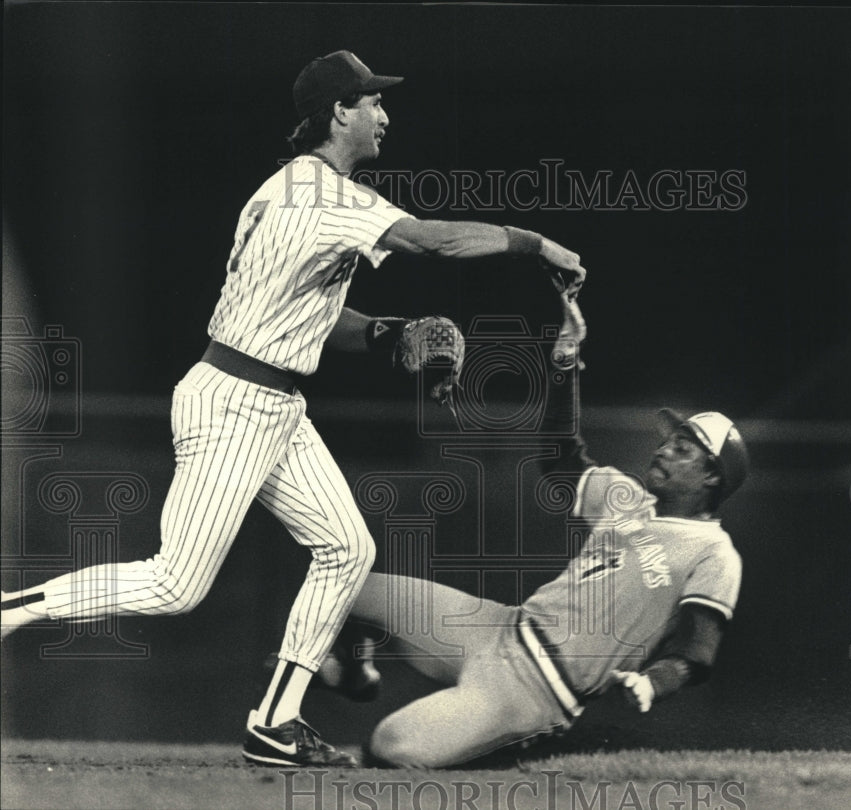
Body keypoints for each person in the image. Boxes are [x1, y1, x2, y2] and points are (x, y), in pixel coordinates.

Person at [0, 50, 585, 768]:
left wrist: (387, 333)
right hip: (235, 401)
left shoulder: (292, 194)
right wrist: (536, 245)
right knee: (175, 582)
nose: (384, 114)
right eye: (373, 102)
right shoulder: (319, 194)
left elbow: (309, 315)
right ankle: (8, 610)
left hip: (271, 400)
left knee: (348, 550)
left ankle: (274, 722)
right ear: (339, 112)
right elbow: (433, 238)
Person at [315, 286, 750, 768]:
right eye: (671, 441)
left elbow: (698, 651)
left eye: (684, 448)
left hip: (540, 687)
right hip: (500, 627)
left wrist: (653, 682)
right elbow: (560, 458)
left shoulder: (715, 554)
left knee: (388, 746)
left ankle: (514, 744)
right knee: (347, 586)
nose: (664, 449)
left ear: (712, 476)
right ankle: (354, 677)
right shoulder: (627, 498)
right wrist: (565, 363)